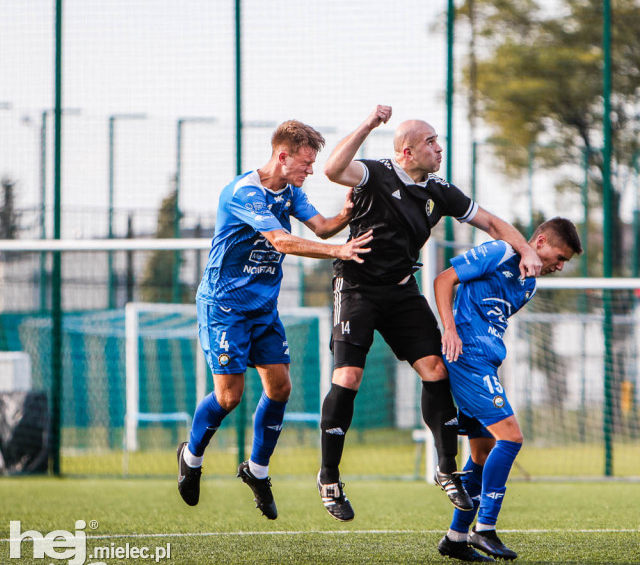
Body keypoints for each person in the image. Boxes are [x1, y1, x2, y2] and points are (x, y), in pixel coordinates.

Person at [315, 112, 543, 522]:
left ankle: (445, 468)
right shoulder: (374, 173)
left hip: (402, 290)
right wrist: (368, 125)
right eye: (431, 142)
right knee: (348, 376)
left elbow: (490, 222)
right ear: (407, 151)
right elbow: (332, 169)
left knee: (435, 368)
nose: (439, 149)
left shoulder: (441, 190)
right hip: (357, 288)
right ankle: (329, 476)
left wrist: (526, 249)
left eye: (439, 142)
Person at [176, 118, 375, 520]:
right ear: (282, 156)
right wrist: (339, 251)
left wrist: (346, 213)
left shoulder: (290, 191)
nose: (311, 170)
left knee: (280, 388)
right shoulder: (243, 192)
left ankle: (257, 471)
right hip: (224, 308)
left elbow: (321, 227)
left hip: (263, 308)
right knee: (230, 397)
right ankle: (192, 456)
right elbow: (281, 240)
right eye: (305, 162)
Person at [433, 217, 582, 562]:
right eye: (559, 257)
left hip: (487, 364)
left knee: (483, 454)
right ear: (540, 242)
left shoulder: (528, 285)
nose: (559, 267)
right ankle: (484, 528)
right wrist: (450, 330)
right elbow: (444, 281)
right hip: (467, 357)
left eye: (564, 263)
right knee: (511, 438)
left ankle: (455, 538)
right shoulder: (499, 252)